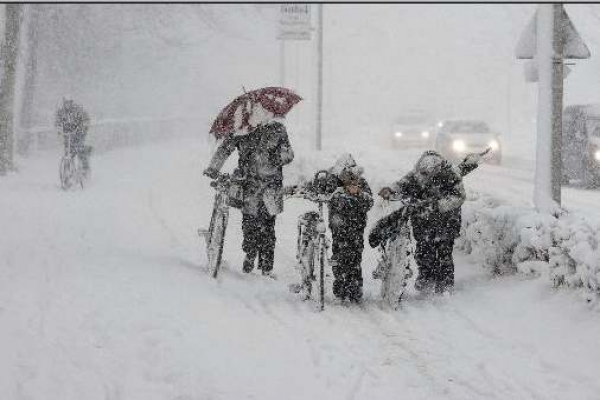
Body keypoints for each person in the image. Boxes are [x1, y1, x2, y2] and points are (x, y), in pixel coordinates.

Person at [203, 118, 294, 277]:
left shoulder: (278, 129)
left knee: (268, 225)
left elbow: (289, 154)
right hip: (249, 184)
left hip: (271, 185)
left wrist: (277, 157)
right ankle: (250, 254)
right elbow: (225, 149)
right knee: (249, 223)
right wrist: (213, 167)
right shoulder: (242, 129)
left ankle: (266, 263)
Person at [379, 150, 465, 294]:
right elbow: (402, 184)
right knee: (423, 250)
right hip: (422, 219)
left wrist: (437, 205)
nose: (424, 177)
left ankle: (445, 283)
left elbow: (459, 197)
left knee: (444, 251)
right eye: (423, 173)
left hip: (447, 220)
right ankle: (426, 278)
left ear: (437, 169)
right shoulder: (417, 174)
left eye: (428, 174)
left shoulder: (450, 175)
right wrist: (390, 190)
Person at [301, 154, 373, 302]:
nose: (349, 178)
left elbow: (369, 201)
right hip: (339, 226)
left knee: (355, 256)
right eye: (346, 174)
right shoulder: (331, 180)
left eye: (351, 174)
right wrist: (305, 190)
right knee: (341, 254)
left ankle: (353, 288)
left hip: (356, 227)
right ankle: (342, 287)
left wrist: (358, 194)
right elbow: (313, 187)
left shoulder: (361, 184)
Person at [55, 98, 91, 176]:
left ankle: (85, 168)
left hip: (78, 133)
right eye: (66, 103)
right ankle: (67, 172)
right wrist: (59, 130)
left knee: (79, 148)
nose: (67, 105)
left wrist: (82, 128)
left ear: (71, 103)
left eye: (69, 103)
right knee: (68, 153)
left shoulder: (77, 110)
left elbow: (86, 120)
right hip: (67, 135)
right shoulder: (61, 112)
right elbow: (57, 122)